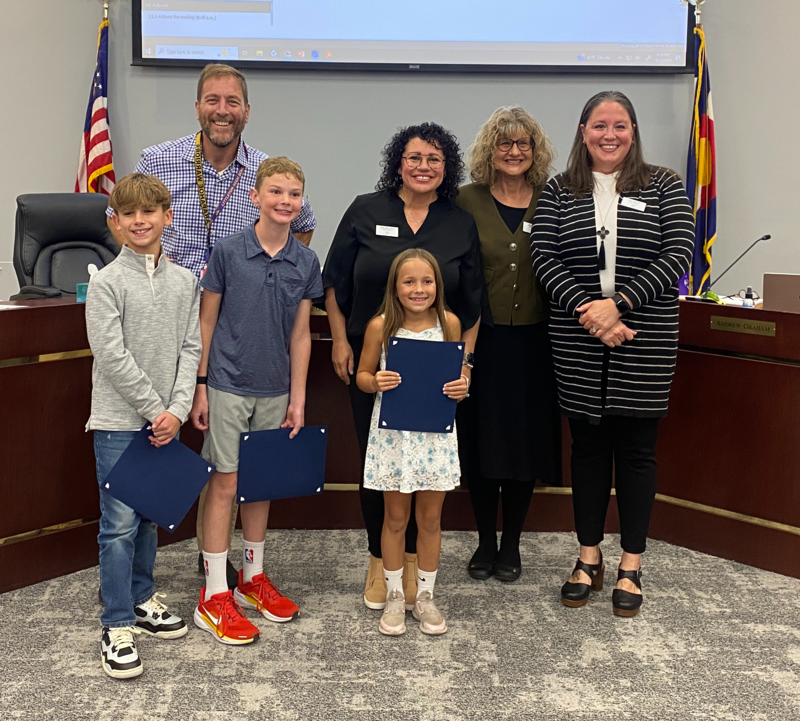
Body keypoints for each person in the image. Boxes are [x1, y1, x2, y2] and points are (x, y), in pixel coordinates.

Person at [122, 63, 318, 587]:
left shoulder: (264, 171)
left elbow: (303, 225)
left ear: (246, 111)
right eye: (213, 100)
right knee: (153, 437)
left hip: (233, 330)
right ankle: (137, 574)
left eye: (233, 102)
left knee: (231, 466)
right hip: (166, 320)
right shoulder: (158, 160)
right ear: (198, 107)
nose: (223, 110)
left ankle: (222, 565)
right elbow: (133, 223)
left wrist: (267, 279)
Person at [530, 91, 694, 617]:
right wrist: (588, 309)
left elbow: (678, 255)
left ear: (633, 131)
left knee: (638, 452)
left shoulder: (664, 183)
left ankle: (631, 564)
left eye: (620, 125)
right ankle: (587, 558)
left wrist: (618, 305)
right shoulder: (559, 189)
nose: (610, 134)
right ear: (583, 132)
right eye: (599, 125)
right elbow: (544, 255)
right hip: (577, 337)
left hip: (644, 336)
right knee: (589, 449)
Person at [322, 123, 484, 612]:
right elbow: (334, 281)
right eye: (414, 157)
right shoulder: (366, 209)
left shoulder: (459, 222)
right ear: (398, 162)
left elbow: (472, 306)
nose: (423, 166)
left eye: (434, 159)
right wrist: (338, 341)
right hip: (371, 362)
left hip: (436, 373)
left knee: (427, 469)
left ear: (445, 167)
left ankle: (417, 565)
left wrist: (467, 365)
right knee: (382, 465)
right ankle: (380, 561)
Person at [190, 156, 323, 645]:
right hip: (226, 383)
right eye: (276, 192)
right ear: (255, 196)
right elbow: (206, 322)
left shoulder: (306, 262)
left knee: (260, 485)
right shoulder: (227, 252)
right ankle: (214, 593)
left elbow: (302, 335)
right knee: (224, 484)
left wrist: (298, 399)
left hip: (277, 389)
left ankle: (252, 577)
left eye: (293, 194)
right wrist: (200, 384)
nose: (285, 201)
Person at [86, 173, 200, 678]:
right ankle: (115, 624)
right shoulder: (107, 282)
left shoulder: (185, 282)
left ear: (167, 217)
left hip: (164, 420)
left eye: (149, 212)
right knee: (118, 526)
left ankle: (141, 598)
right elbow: (110, 354)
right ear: (115, 222)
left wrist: (175, 411)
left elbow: (190, 350)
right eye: (128, 213)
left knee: (149, 516)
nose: (139, 220)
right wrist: (157, 410)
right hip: (118, 422)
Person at [456, 106, 560, 583]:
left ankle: (512, 545)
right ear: (489, 150)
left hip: (537, 343)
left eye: (523, 144)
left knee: (522, 446)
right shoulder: (464, 201)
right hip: (483, 340)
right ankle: (483, 542)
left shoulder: (554, 199)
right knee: (481, 444)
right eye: (505, 143)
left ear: (534, 152)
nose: (514, 152)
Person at [357, 249, 469, 635]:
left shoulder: (449, 324)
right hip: (394, 437)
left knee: (431, 519)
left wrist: (462, 386)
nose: (418, 289)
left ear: (438, 285)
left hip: (435, 438)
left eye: (427, 281)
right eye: (409, 281)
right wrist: (375, 382)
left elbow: (459, 376)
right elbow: (362, 375)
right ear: (395, 286)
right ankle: (393, 596)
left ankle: (424, 597)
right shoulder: (381, 326)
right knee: (394, 518)